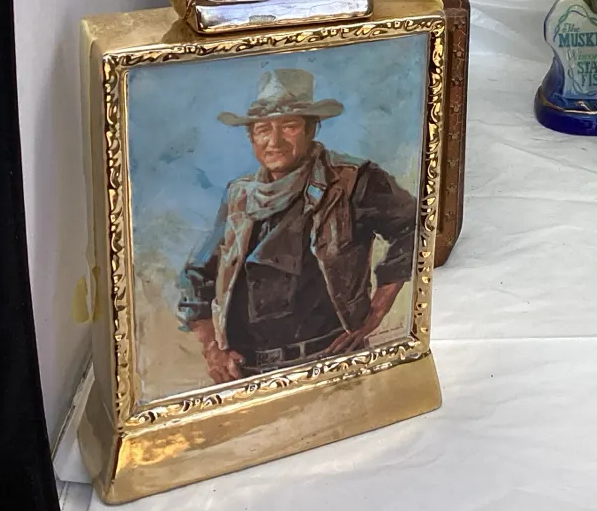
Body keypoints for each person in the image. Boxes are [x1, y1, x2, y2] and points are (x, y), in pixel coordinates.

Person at [178, 68, 421, 383]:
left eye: (289, 127)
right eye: (263, 129)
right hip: (247, 371)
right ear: (251, 137)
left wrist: (377, 310)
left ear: (311, 129)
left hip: (330, 362)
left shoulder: (353, 180)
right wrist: (213, 348)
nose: (274, 141)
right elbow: (196, 275)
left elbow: (415, 225)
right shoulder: (239, 194)